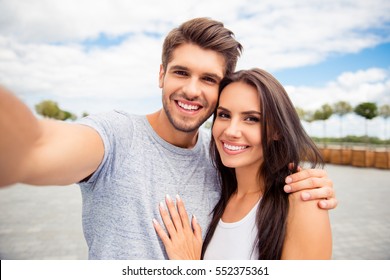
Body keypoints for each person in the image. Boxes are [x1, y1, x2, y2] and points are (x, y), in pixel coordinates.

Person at [0, 18, 335, 260]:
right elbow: (36, 147)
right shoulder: (115, 137)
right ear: (161, 74)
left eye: (208, 78)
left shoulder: (221, 158)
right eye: (180, 72)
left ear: (221, 89)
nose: (191, 89)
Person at [153, 68, 332, 260]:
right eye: (224, 115)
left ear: (277, 131)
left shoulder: (302, 203)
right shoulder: (218, 192)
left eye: (251, 119)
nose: (231, 131)